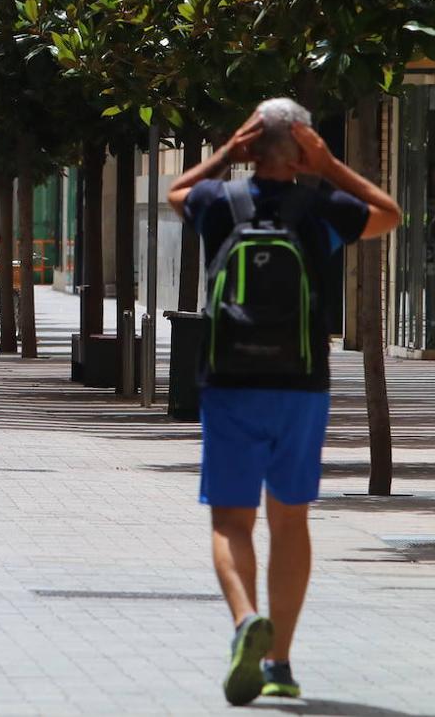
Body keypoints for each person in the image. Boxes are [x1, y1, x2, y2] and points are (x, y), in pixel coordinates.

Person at [168, 98, 400, 706]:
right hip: (301, 385)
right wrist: (329, 166)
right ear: (301, 148)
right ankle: (280, 664)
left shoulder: (220, 204)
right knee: (289, 519)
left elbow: (175, 193)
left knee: (230, 519)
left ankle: (246, 619)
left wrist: (224, 153)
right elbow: (390, 214)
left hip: (229, 382)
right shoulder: (322, 206)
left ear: (251, 144)